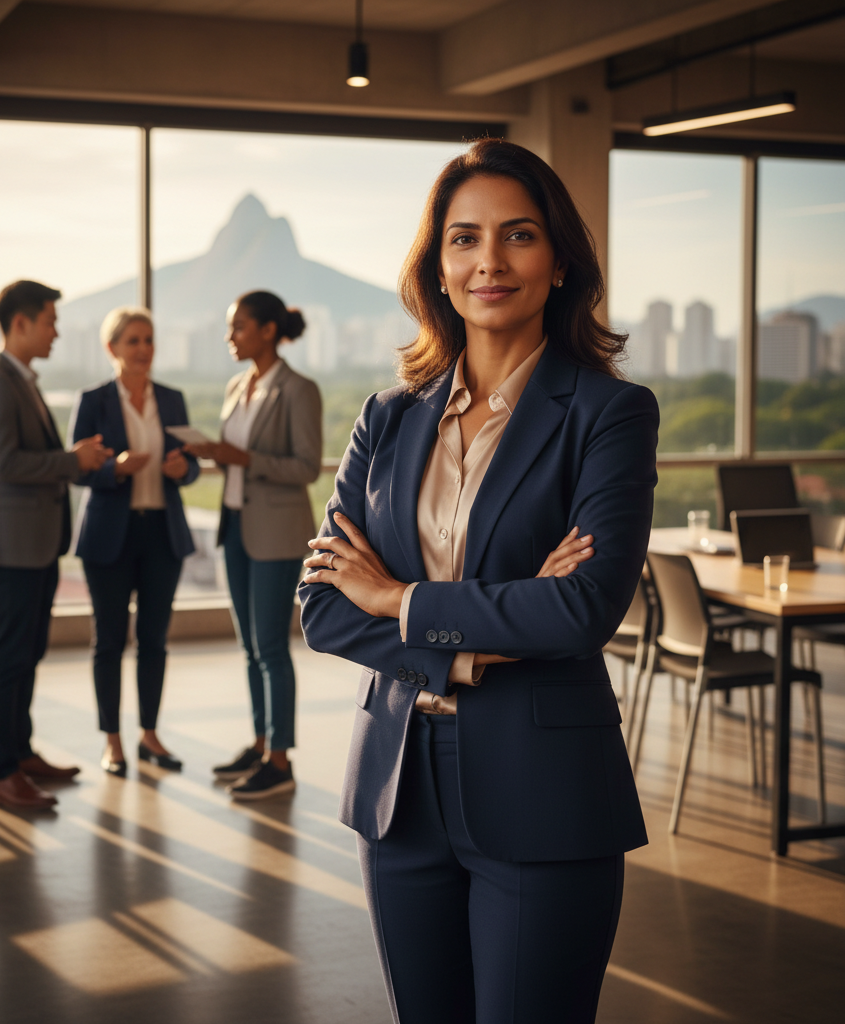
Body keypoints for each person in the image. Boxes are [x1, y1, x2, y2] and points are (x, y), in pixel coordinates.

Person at [299, 139, 658, 1024]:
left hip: (545, 788)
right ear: (438, 266)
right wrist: (469, 646)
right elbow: (320, 607)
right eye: (464, 239)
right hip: (399, 786)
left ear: (560, 259)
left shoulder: (610, 414)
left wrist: (397, 598)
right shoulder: (386, 418)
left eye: (518, 235)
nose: (489, 261)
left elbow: (581, 608)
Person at [0, 280, 112, 812]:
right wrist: (72, 460)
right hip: (12, 545)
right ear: (21, 322)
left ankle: (20, 753)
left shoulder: (20, 381)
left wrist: (78, 461)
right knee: (10, 656)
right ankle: (0, 772)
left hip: (33, 542)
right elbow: (6, 464)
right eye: (50, 320)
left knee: (27, 652)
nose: (56, 330)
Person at [183, 291, 321, 801]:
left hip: (276, 534)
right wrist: (216, 455)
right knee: (248, 647)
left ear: (267, 330)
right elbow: (237, 461)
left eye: (238, 327)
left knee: (270, 648)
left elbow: (306, 467)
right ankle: (261, 743)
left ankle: (280, 762)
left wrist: (240, 455)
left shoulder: (298, 389)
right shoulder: (238, 385)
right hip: (236, 528)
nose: (229, 337)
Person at [69, 307, 200, 776]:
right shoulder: (94, 401)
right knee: (108, 641)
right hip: (109, 535)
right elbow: (76, 469)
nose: (144, 349)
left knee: (154, 641)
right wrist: (113, 469)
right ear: (112, 349)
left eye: (148, 340)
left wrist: (185, 470)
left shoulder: (171, 398)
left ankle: (149, 734)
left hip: (161, 533)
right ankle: (111, 741)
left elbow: (192, 462)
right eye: (133, 341)